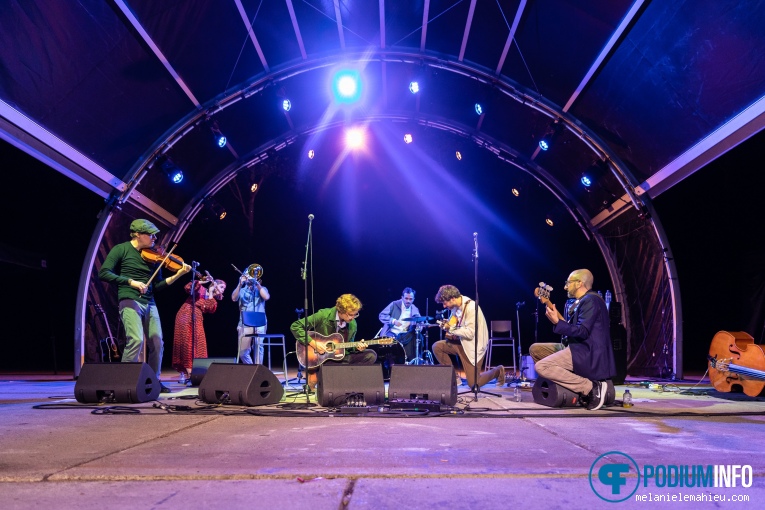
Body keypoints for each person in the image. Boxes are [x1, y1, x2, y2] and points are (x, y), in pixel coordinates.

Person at [98, 219, 191, 391]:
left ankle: (154, 381)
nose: (155, 238)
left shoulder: (154, 257)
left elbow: (157, 286)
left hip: (149, 301)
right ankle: (122, 382)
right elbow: (104, 273)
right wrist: (131, 282)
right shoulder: (122, 249)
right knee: (136, 339)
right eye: (151, 234)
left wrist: (179, 274)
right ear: (138, 235)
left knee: (157, 341)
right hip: (129, 298)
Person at [532, 269, 616, 411]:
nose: (565, 287)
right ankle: (572, 386)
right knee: (536, 349)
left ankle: (590, 387)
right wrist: (556, 318)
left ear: (579, 283)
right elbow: (572, 329)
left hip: (586, 351)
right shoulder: (582, 302)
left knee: (542, 367)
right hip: (577, 346)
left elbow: (582, 332)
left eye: (568, 283)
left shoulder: (591, 301)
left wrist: (557, 323)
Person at [290, 294, 377, 388]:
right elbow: (295, 326)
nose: (352, 318)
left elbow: (348, 348)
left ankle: (342, 378)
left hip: (339, 358)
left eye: (355, 314)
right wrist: (313, 343)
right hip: (322, 358)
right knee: (331, 364)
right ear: (341, 311)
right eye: (350, 314)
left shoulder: (352, 324)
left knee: (371, 355)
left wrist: (358, 348)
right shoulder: (323, 315)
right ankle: (324, 373)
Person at [432, 285, 505, 388]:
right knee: (437, 347)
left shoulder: (471, 308)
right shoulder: (455, 307)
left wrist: (451, 329)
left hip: (473, 346)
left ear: (452, 298)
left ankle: (498, 371)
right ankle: (454, 378)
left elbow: (470, 334)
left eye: (445, 303)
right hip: (461, 342)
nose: (444, 306)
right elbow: (454, 323)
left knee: (474, 385)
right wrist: (447, 324)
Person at [172, 278, 226, 383]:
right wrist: (201, 282)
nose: (223, 290)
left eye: (224, 288)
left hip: (197, 319)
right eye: (221, 287)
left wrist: (210, 292)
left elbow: (210, 308)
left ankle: (197, 373)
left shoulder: (211, 297)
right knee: (187, 344)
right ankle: (189, 374)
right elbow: (187, 287)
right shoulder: (200, 289)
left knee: (199, 345)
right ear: (214, 285)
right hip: (186, 315)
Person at [231, 266, 269, 364]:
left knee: (258, 346)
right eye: (247, 274)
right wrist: (240, 284)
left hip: (259, 322)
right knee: (243, 352)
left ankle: (258, 371)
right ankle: (252, 369)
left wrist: (257, 285)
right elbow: (234, 298)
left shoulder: (261, 289)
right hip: (244, 323)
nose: (249, 276)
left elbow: (266, 297)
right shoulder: (242, 290)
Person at [378, 287, 422, 360]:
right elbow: (381, 315)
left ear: (414, 299)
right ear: (402, 297)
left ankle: (411, 361)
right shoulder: (394, 304)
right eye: (406, 298)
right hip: (392, 332)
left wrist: (420, 327)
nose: (408, 301)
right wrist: (393, 321)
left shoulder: (414, 309)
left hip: (405, 335)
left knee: (417, 337)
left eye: (410, 299)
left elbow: (420, 322)